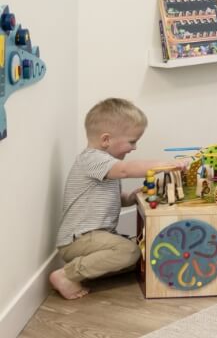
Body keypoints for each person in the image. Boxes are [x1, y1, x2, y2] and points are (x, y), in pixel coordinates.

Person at [49, 98, 189, 299]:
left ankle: (84, 269)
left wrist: (132, 196)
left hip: (92, 237)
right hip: (79, 239)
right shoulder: (93, 159)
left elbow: (114, 197)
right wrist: (165, 164)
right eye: (132, 141)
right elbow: (125, 170)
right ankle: (67, 276)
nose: (134, 148)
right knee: (130, 252)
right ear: (106, 140)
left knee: (137, 251)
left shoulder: (105, 165)